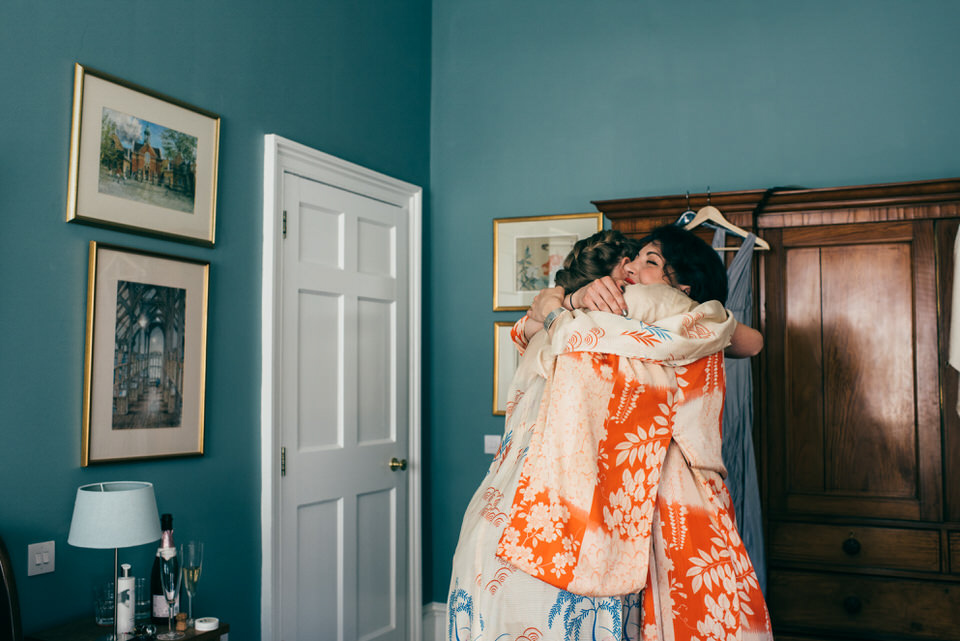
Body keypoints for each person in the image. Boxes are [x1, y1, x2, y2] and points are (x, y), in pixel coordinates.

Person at [447, 227, 771, 641]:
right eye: (633, 259)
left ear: (682, 285)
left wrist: (556, 305)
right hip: (634, 486)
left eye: (649, 261)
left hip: (531, 489)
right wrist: (562, 303)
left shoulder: (646, 307)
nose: (631, 267)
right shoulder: (632, 314)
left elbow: (547, 332)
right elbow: (749, 340)